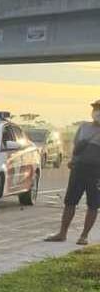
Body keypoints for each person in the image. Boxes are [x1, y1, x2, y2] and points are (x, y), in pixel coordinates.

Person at [45, 100, 100, 245]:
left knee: (93, 204)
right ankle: (62, 233)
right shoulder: (84, 127)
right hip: (79, 169)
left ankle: (84, 236)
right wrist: (73, 160)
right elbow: (76, 146)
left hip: (96, 172)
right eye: (95, 108)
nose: (97, 111)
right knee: (70, 202)